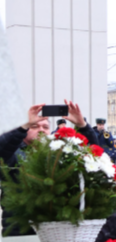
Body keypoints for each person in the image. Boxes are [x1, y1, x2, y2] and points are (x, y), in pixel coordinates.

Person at [0, 101, 97, 235]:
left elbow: (92, 154)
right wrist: (22, 127)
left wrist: (83, 126)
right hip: (20, 227)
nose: (41, 130)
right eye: (34, 126)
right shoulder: (13, 153)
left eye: (45, 127)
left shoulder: (57, 154)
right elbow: (3, 149)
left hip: (54, 227)